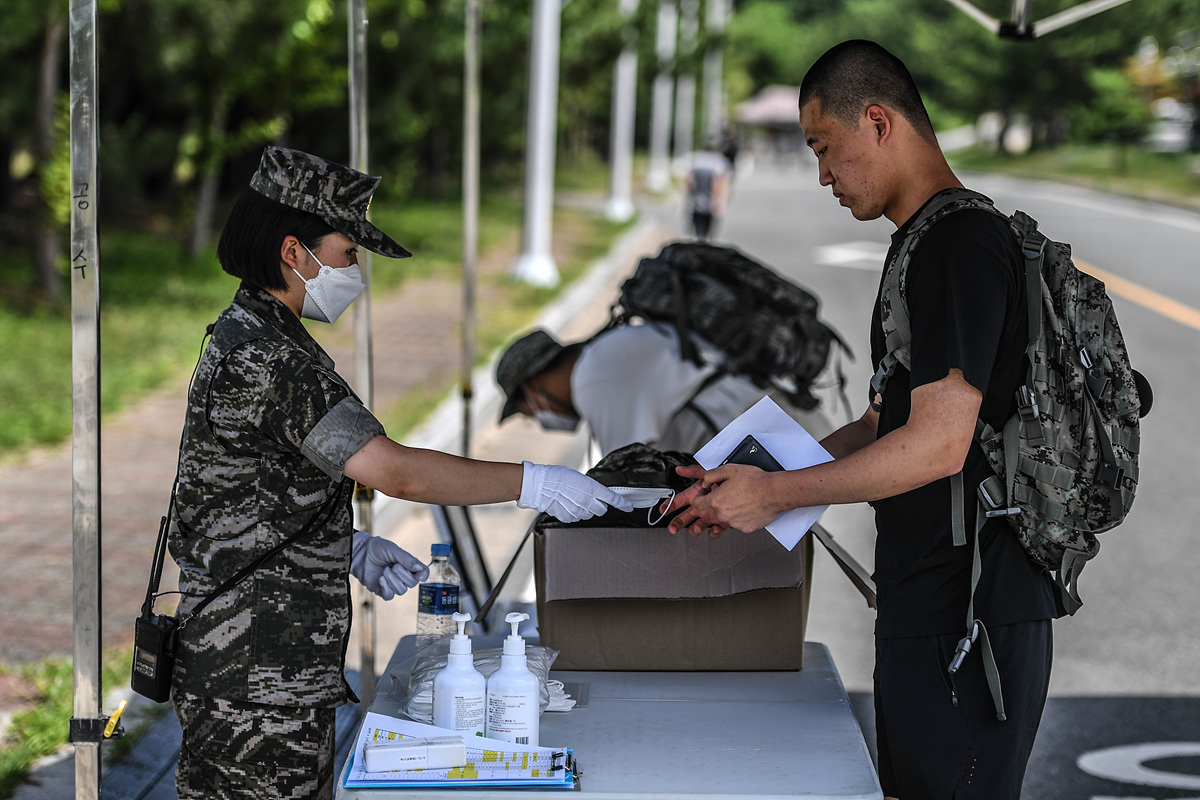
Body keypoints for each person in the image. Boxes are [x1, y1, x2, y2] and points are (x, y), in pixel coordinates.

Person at [167, 146, 632, 800]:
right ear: (294, 253)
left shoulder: (254, 333)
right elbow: (397, 473)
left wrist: (341, 546)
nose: (355, 269)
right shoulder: (272, 359)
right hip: (256, 671)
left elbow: (240, 490)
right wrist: (538, 481)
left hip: (249, 654)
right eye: (348, 252)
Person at [663, 41, 1063, 800]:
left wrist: (775, 497)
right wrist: (756, 478)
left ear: (876, 121)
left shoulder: (959, 245)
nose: (821, 175)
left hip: (971, 612)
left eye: (825, 148)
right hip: (932, 601)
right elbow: (889, 419)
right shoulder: (921, 241)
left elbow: (938, 445)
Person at [495, 323, 831, 458]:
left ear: (533, 389)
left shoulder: (594, 377)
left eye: (529, 414)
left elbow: (627, 481)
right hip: (777, 429)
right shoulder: (603, 355)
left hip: (774, 442)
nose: (539, 420)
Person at [683, 146, 731, 241]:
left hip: (696, 202)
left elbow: (688, 181)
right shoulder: (720, 161)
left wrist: (690, 194)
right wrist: (720, 201)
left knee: (698, 231)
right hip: (711, 203)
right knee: (710, 232)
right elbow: (720, 184)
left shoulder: (696, 160)